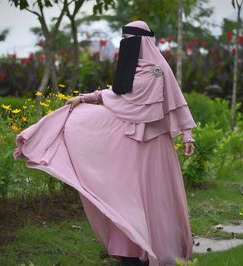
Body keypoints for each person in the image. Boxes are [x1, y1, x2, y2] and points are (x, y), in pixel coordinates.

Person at [14, 20, 197, 266]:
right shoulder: (132, 68)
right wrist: (85, 98)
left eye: (130, 40)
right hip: (129, 145)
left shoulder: (159, 70)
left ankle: (156, 250)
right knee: (124, 194)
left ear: (142, 41)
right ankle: (130, 251)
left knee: (152, 199)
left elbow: (177, 103)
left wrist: (188, 134)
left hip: (154, 148)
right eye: (124, 39)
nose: (126, 45)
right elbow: (119, 94)